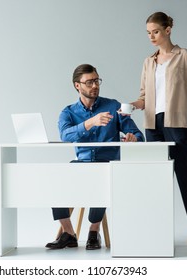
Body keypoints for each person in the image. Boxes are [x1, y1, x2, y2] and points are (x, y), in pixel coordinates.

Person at [45, 63, 144, 250]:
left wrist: (133, 138)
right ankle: (68, 232)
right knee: (56, 179)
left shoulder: (113, 106)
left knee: (103, 176)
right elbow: (65, 135)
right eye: (89, 82)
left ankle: (94, 230)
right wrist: (90, 123)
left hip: (108, 164)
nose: (95, 86)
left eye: (96, 81)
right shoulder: (68, 112)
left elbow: (138, 134)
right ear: (77, 85)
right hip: (82, 163)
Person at [130, 12, 187, 246]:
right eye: (149, 33)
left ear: (168, 29)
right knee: (156, 178)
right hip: (153, 125)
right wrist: (131, 106)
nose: (152, 37)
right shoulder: (148, 61)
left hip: (178, 122)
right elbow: (144, 97)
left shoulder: (184, 57)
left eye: (156, 31)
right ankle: (156, 230)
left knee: (183, 174)